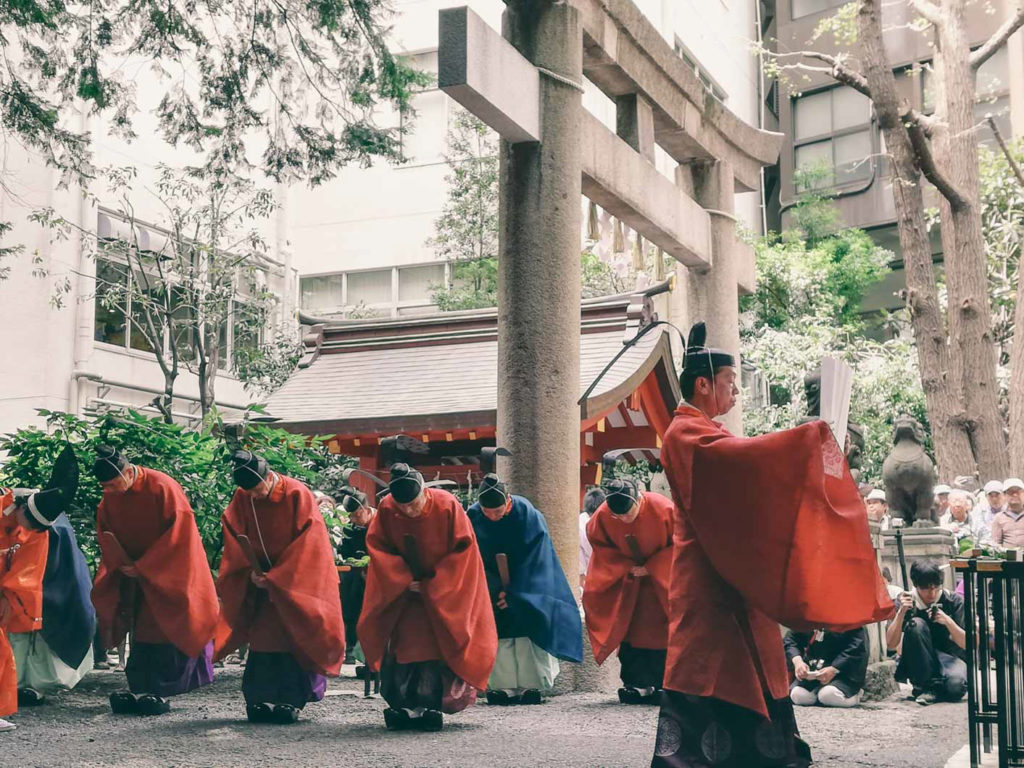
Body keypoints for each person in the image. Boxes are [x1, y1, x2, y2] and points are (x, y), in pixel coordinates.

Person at [651, 322, 892, 768]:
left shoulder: (703, 431)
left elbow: (744, 470)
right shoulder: (686, 433)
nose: (737, 392)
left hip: (729, 574)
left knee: (751, 664)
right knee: (706, 667)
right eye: (731, 383)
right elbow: (745, 462)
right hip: (708, 581)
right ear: (703, 384)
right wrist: (803, 440)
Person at [357, 463, 497, 731]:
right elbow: (378, 547)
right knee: (404, 648)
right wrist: (401, 579)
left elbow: (463, 552)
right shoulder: (388, 509)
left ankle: (430, 707)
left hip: (443, 595)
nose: (410, 510)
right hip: (404, 597)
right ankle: (403, 706)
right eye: (404, 506)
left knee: (435, 648)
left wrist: (434, 585)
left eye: (414, 503)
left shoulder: (447, 505)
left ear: (423, 491)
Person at [216, 451, 345, 723]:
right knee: (263, 641)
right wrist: (249, 571)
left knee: (293, 639)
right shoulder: (244, 496)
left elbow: (310, 545)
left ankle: (291, 700)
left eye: (257, 489)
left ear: (268, 477)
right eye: (248, 491)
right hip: (261, 585)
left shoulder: (296, 493)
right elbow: (233, 530)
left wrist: (278, 577)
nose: (254, 495)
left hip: (296, 583)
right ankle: (259, 698)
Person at [91, 446, 219, 716]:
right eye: (105, 487)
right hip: (134, 575)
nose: (110, 491)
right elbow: (105, 531)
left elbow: (180, 534)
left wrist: (147, 567)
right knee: (142, 629)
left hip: (169, 571)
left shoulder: (163, 486)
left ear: (128, 472)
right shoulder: (110, 496)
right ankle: (140, 686)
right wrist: (123, 564)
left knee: (169, 625)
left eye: (113, 484)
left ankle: (162, 688)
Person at [468, 471, 582, 704]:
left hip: (527, 581)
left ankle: (532, 684)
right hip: (490, 584)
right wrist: (495, 590)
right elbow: (471, 557)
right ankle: (502, 685)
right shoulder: (473, 515)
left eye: (497, 512)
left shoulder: (526, 513)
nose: (492, 517)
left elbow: (537, 557)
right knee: (498, 630)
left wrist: (515, 593)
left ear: (508, 501)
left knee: (528, 622)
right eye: (487, 512)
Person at [0, 447, 78, 732]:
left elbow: (27, 571)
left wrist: (9, 598)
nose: (28, 529)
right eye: (29, 522)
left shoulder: (35, 531)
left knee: (3, 654)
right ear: (20, 507)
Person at [10, 450, 96, 705]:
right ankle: (17, 682)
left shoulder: (55, 531)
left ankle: (36, 686)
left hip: (57, 588)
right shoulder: (38, 512)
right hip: (35, 586)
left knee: (41, 638)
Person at [584, 474, 674, 705]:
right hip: (629, 584)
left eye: (628, 512)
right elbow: (601, 549)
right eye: (618, 515)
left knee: (664, 633)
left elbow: (682, 544)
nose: (624, 519)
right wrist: (626, 568)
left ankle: (667, 684)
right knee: (632, 631)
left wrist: (654, 568)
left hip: (663, 585)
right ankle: (635, 684)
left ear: (638, 500)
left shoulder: (662, 507)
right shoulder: (604, 515)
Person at [886, 560, 966, 705]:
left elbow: (967, 643)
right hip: (919, 661)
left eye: (936, 587)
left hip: (949, 658)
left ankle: (933, 688)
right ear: (916, 586)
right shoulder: (906, 601)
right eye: (926, 589)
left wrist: (948, 622)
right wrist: (901, 613)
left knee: (956, 689)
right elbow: (891, 644)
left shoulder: (954, 601)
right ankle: (927, 686)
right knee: (916, 624)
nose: (932, 593)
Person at [784, 627, 869, 708]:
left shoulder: (851, 617)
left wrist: (834, 669)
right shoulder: (808, 615)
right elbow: (791, 639)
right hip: (815, 669)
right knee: (798, 695)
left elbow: (857, 647)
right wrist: (798, 661)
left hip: (843, 672)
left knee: (828, 695)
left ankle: (855, 695)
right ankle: (819, 696)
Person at [337, 487, 375, 667]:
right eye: (351, 516)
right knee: (351, 611)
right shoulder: (350, 528)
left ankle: (372, 656)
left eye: (357, 516)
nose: (353, 520)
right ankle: (350, 648)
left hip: (376, 577)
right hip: (353, 576)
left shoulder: (381, 523)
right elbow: (344, 551)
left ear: (367, 510)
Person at [578, 487, 605, 591]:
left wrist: (581, 573)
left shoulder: (580, 521)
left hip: (590, 571)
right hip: (593, 571)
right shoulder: (581, 523)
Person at [990, 479, 1024, 548]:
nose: (1015, 495)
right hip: (1008, 558)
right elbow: (995, 543)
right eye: (1011, 492)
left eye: (1018, 491)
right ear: (1004, 495)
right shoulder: (999, 518)